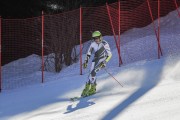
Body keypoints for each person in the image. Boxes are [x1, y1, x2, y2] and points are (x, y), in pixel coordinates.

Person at [81, 31, 112, 97]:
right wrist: (86, 62)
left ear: (100, 37)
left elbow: (110, 55)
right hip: (95, 61)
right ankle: (87, 88)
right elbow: (88, 53)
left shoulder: (104, 43)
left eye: (97, 38)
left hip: (102, 61)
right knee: (90, 74)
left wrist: (105, 62)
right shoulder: (93, 44)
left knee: (93, 72)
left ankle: (93, 88)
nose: (96, 40)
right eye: (94, 38)